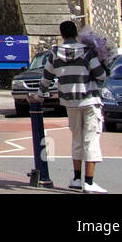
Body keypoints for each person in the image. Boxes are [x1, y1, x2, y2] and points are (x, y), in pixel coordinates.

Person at [40, 20, 108, 192]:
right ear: (76, 33)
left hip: (70, 102)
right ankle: (90, 182)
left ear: (61, 34)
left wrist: (40, 94)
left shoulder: (54, 53)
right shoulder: (87, 52)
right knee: (91, 139)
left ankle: (77, 179)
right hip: (89, 99)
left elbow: (47, 77)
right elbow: (100, 76)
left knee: (76, 138)